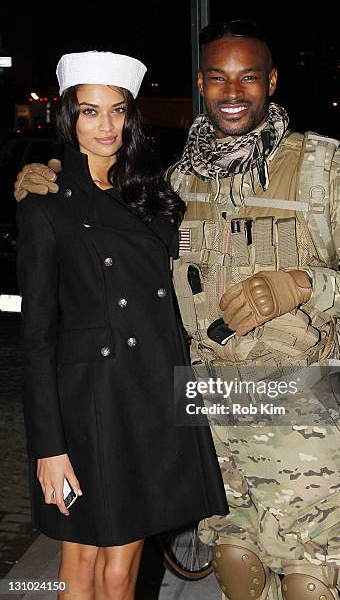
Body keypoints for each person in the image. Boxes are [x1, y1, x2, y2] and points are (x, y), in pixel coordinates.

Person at [14, 25, 340, 600]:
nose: (232, 90)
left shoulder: (322, 171)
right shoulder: (176, 182)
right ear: (201, 86)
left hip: (295, 408)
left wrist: (306, 285)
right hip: (207, 414)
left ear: (271, 82)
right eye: (217, 77)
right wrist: (47, 181)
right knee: (237, 566)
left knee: (309, 580)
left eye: (248, 76)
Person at [15, 50, 227, 600]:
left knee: (122, 568)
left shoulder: (155, 195)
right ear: (69, 117)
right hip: (91, 401)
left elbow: (184, 270)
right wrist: (48, 446)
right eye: (90, 111)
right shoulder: (46, 204)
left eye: (117, 110)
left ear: (131, 116)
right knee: (80, 559)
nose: (105, 126)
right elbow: (36, 337)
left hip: (152, 392)